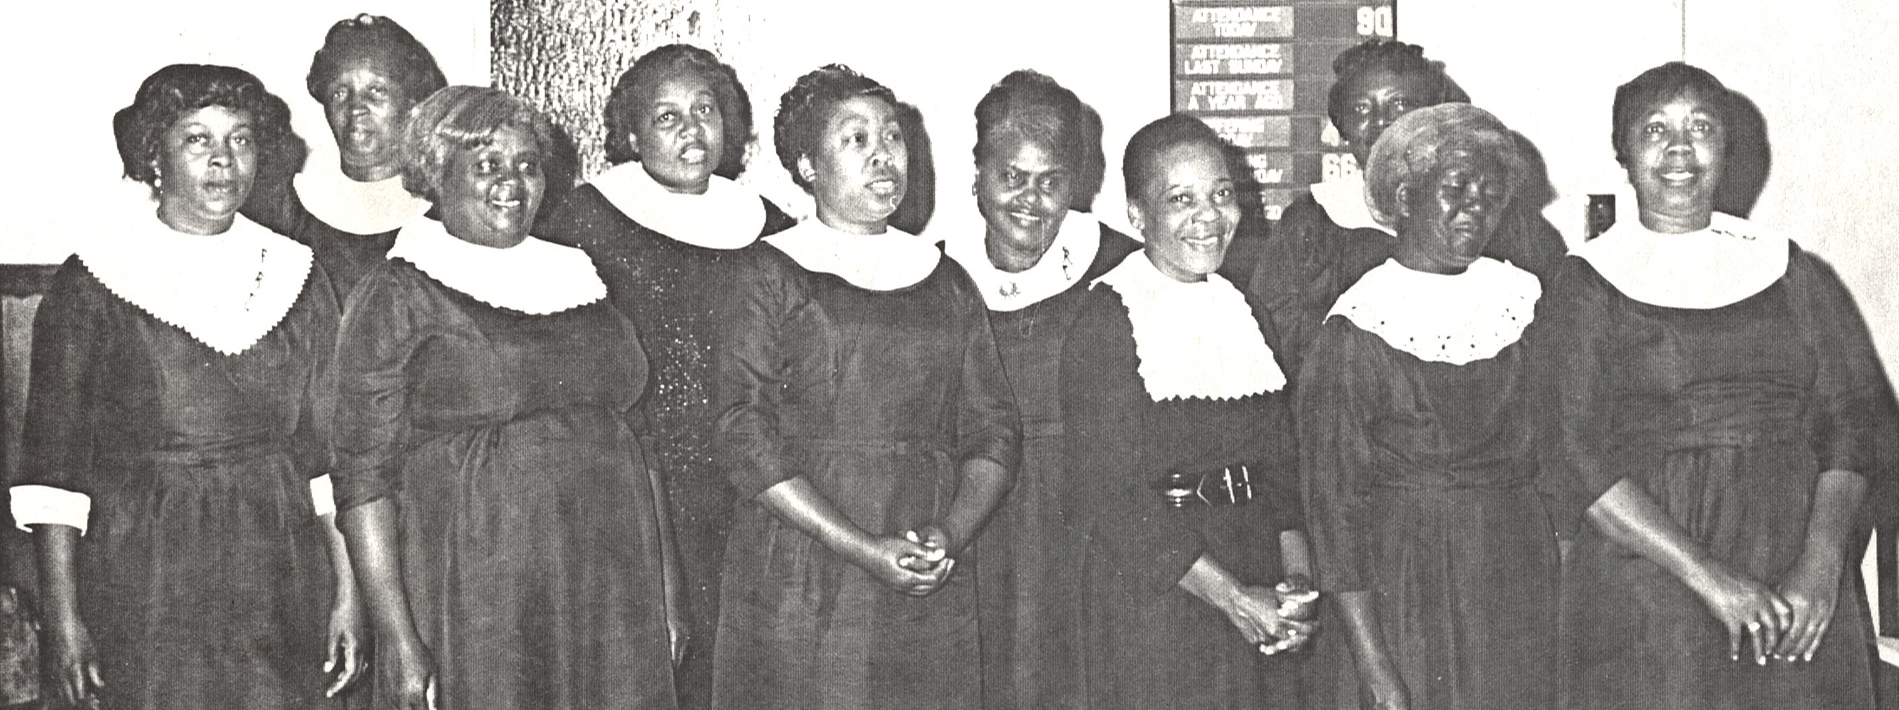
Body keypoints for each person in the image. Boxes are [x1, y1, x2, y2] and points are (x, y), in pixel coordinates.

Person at [1543, 62, 1896, 710]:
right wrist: (1710, 580)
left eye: (1699, 126)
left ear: (1726, 147)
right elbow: (1573, 454)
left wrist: (1821, 564)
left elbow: (1854, 417)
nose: (1679, 148)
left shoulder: (1789, 269)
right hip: (1652, 579)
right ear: (1623, 152)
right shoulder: (1587, 282)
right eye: (1655, 129)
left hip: (1794, 572)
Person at [11, 63, 363, 709]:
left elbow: (326, 455)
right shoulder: (94, 282)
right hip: (142, 565)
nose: (223, 160)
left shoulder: (298, 274)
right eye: (197, 139)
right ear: (154, 156)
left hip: (278, 562)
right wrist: (63, 622)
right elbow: (52, 472)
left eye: (241, 138)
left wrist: (348, 592)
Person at [332, 86, 676, 710]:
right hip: (475, 581)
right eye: (486, 164)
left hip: (607, 579)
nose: (511, 183)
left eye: (527, 164)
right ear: (438, 173)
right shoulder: (398, 290)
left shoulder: (578, 275)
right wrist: (400, 637)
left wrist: (667, 594)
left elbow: (640, 441)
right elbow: (362, 481)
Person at [710, 64, 1020, 710]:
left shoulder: (945, 278)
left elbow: (993, 428)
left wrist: (948, 537)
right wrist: (857, 547)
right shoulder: (769, 271)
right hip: (806, 569)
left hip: (924, 564)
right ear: (805, 165)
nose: (883, 155)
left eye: (893, 137)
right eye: (856, 139)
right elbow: (743, 434)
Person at [536, 45, 794, 708]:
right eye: (667, 116)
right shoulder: (581, 222)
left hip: (745, 483)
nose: (690, 130)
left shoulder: (767, 226)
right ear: (630, 134)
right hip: (633, 487)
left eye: (703, 110)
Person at [1299, 104, 1557, 710]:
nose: (1476, 206)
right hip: (1403, 590)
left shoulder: (1524, 301)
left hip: (1514, 575)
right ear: (1407, 195)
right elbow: (1332, 516)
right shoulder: (1355, 330)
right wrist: (1374, 663)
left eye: (1491, 194)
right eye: (1456, 188)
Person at [1062, 113, 1314, 709]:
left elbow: (1280, 463)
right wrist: (1232, 597)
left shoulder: (1241, 308)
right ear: (1137, 215)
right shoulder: (1107, 319)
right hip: (1162, 592)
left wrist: (1297, 585)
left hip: (1253, 570)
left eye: (1221, 194)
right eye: (1181, 199)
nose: (1209, 217)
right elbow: (1105, 495)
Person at [938, 69, 1140, 710]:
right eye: (1011, 177)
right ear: (977, 176)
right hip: (977, 530)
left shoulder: (1122, 270)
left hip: (1090, 534)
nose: (1030, 198)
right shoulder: (933, 279)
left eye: (1050, 180)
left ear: (1075, 184)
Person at [1248, 39, 1562, 371]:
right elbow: (1272, 346)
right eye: (1361, 109)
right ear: (1342, 129)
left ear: (1434, 117)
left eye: (1400, 104)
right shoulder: (1312, 219)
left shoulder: (1488, 212)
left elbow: (1554, 338)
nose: (1383, 123)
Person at [245, 13, 447, 303]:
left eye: (376, 91)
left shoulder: (447, 215)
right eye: (340, 92)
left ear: (413, 103)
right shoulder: (286, 211)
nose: (355, 108)